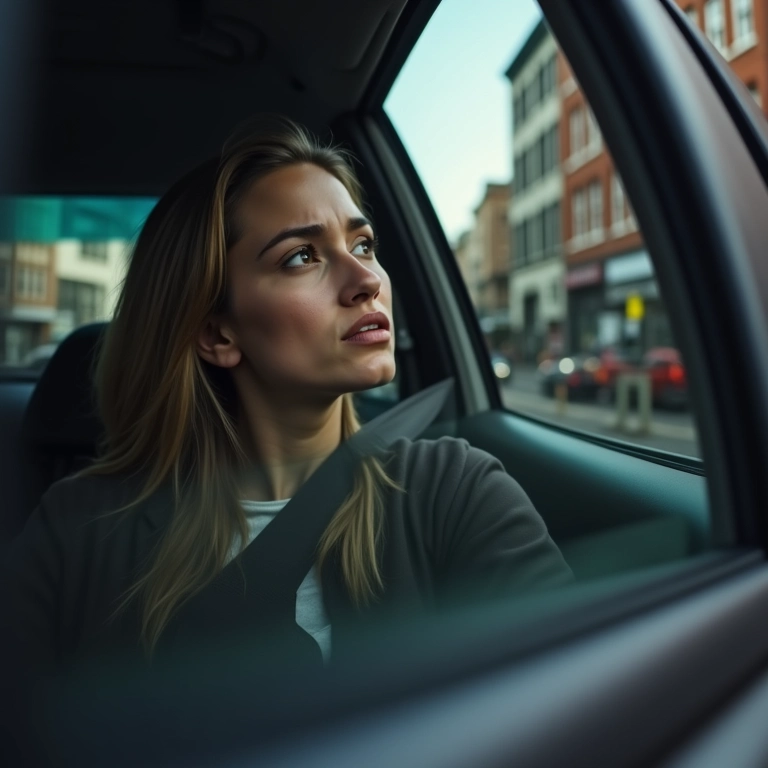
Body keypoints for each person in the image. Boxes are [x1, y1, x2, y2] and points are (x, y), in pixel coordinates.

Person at [2, 116, 571, 672]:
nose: (367, 281)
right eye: (302, 256)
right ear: (217, 334)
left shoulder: (455, 492)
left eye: (363, 245)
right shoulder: (78, 531)